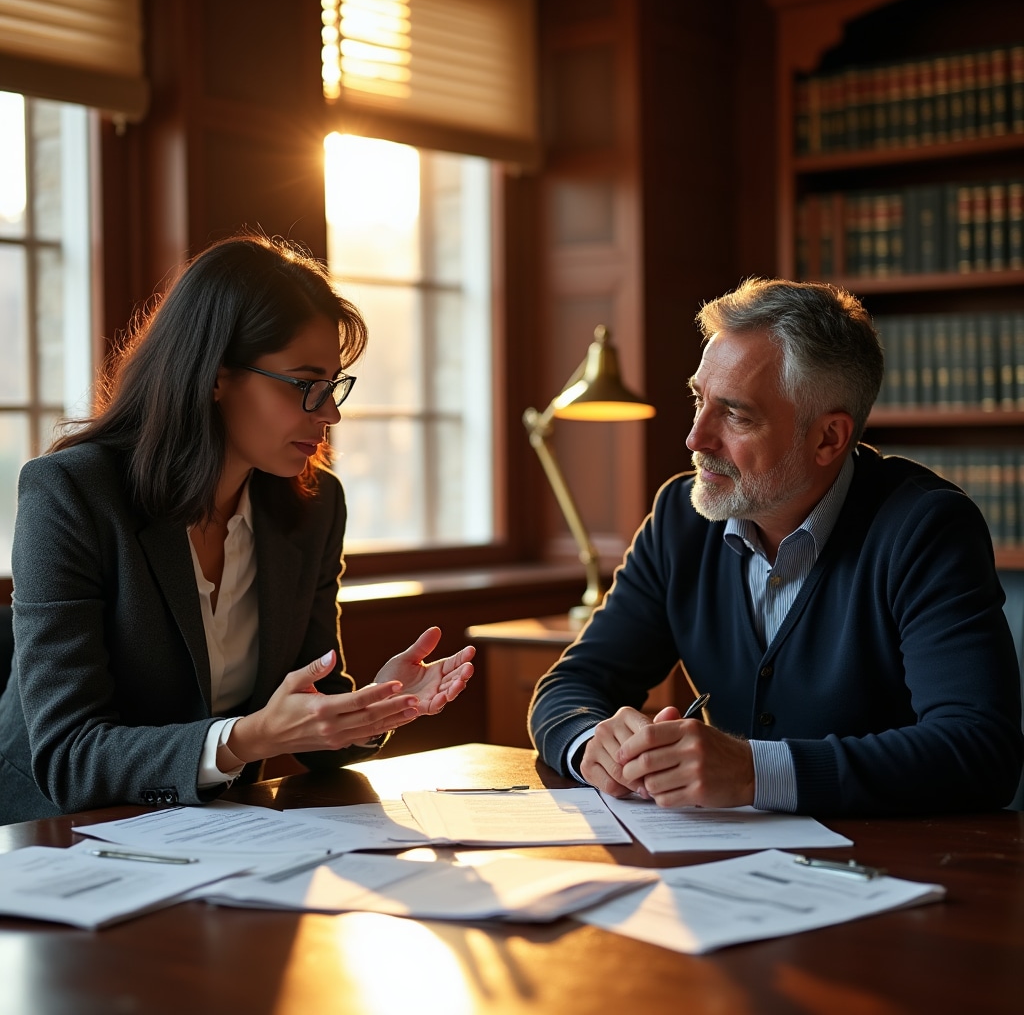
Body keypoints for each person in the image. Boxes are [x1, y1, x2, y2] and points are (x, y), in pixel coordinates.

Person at [0, 233, 475, 824]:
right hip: (52, 837)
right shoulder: (71, 495)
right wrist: (243, 740)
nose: (330, 413)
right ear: (216, 376)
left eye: (334, 386)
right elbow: (69, 757)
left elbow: (305, 713)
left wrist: (378, 704)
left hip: (216, 835)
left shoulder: (313, 506)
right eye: (306, 385)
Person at [529, 276, 1024, 815]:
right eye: (698, 399)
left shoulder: (925, 528)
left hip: (892, 869)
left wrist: (753, 772)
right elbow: (572, 685)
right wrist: (589, 745)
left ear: (828, 438)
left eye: (736, 414)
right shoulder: (680, 517)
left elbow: (980, 752)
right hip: (727, 864)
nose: (696, 437)